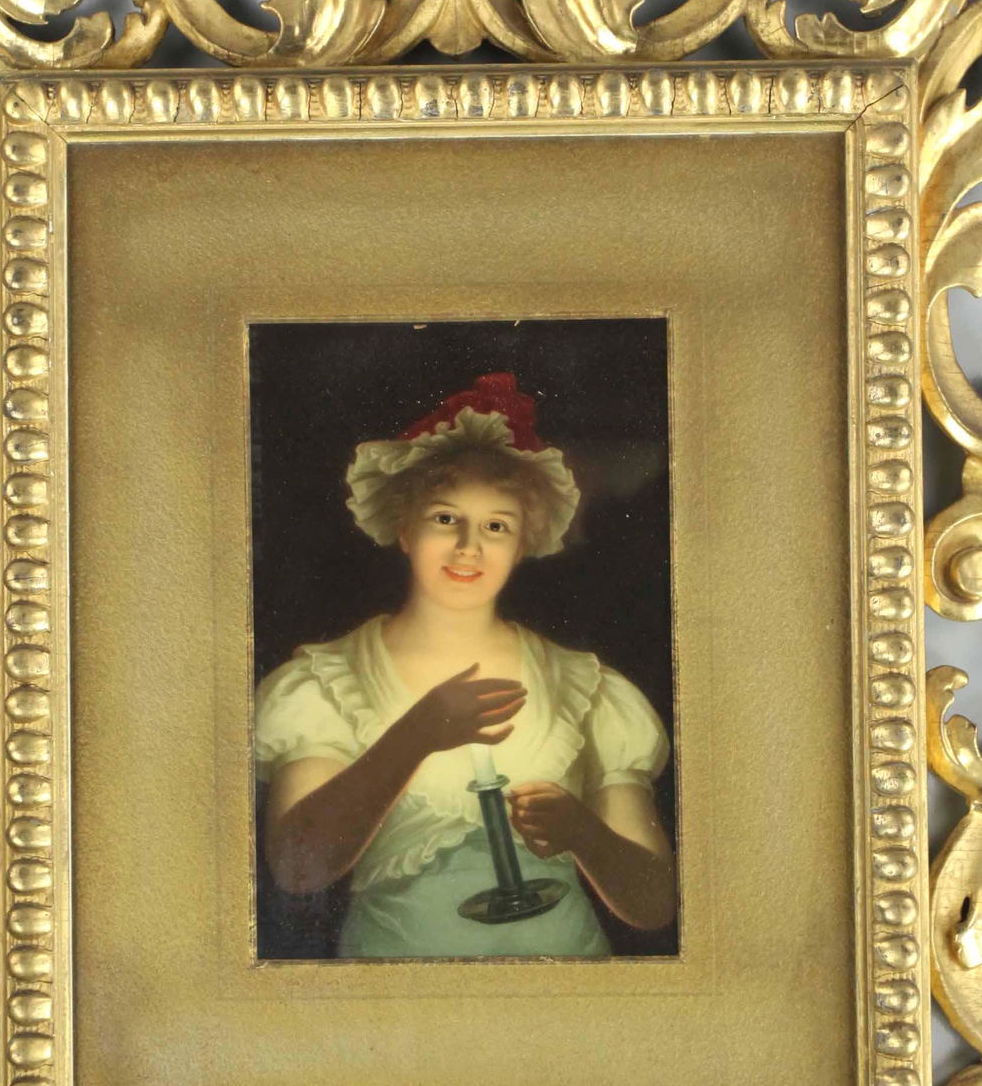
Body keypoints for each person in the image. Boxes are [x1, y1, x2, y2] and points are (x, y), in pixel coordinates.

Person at [256, 372, 676, 959]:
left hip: (566, 983)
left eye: (496, 526)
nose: (468, 547)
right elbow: (299, 870)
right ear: (405, 529)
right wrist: (414, 736)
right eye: (445, 519)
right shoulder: (329, 683)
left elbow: (655, 905)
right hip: (396, 991)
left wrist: (583, 832)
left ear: (523, 543)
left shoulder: (583, 686)